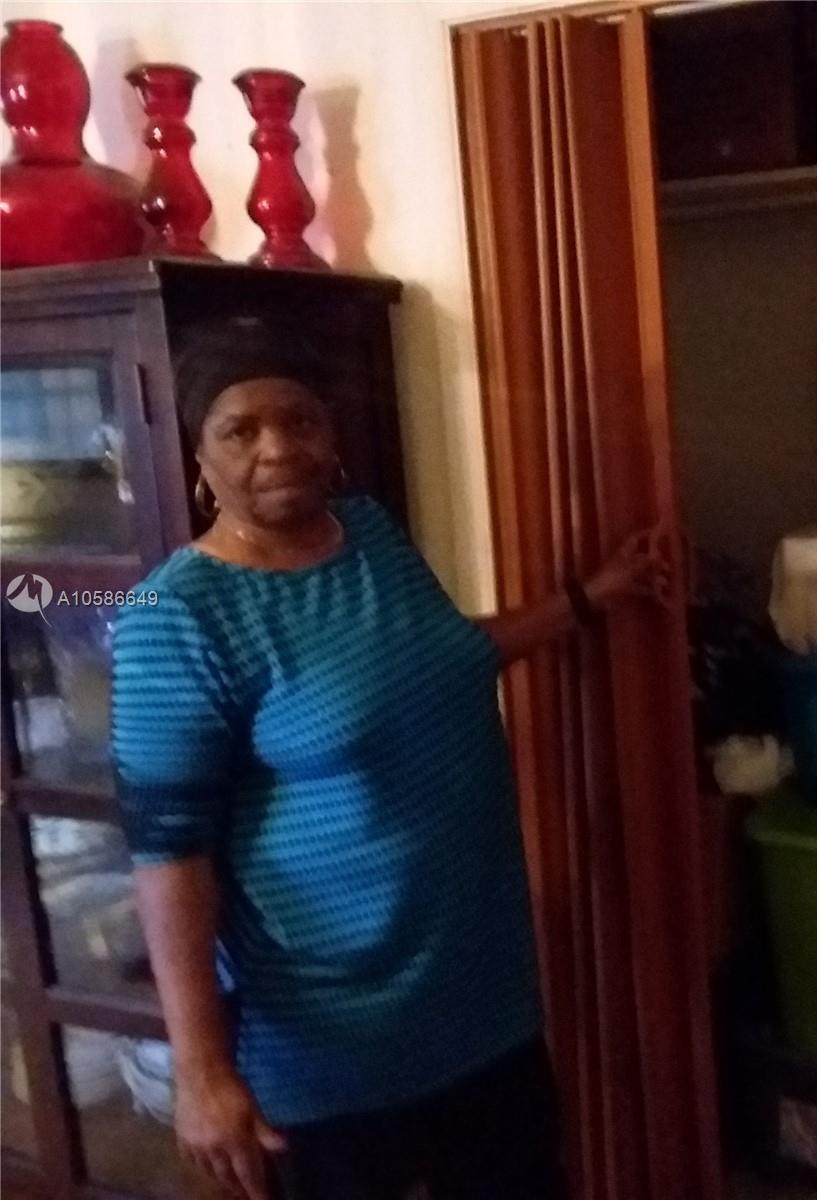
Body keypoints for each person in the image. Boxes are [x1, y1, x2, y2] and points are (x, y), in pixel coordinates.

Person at [110, 320, 667, 1200]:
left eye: (298, 419)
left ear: (330, 434)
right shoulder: (176, 613)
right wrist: (201, 1071)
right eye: (241, 430)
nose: (276, 447)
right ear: (200, 458)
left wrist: (588, 598)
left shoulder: (370, 535)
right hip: (332, 1046)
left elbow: (448, 659)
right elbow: (167, 852)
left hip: (479, 999)